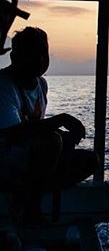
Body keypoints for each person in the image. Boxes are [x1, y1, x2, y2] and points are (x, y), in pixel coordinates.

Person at [0, 27, 99, 221]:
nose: (40, 60)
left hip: (26, 163)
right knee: (52, 141)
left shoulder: (41, 85)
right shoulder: (3, 85)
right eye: (32, 54)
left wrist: (65, 138)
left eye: (43, 53)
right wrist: (60, 121)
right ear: (15, 57)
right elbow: (13, 133)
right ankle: (30, 207)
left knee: (90, 160)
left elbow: (36, 133)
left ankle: (30, 193)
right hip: (5, 161)